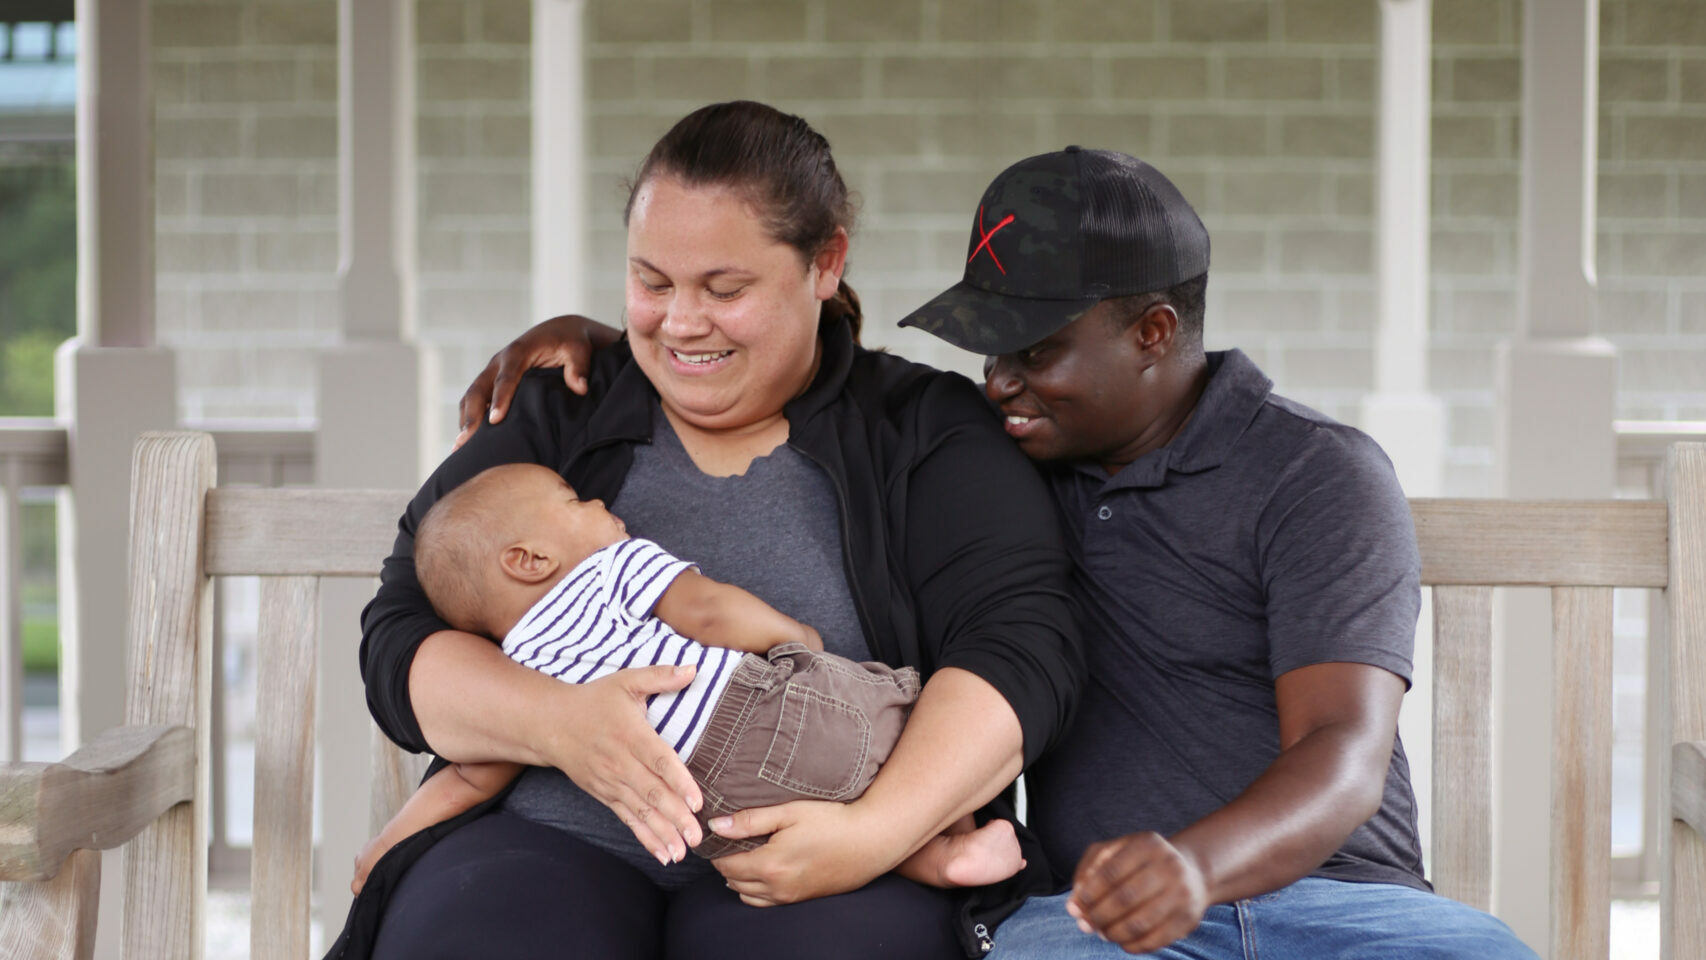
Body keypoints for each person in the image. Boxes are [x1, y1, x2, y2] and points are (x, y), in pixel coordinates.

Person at [460, 146, 1540, 959]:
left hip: (1342, 909)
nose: (998, 383)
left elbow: (1342, 753)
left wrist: (1192, 867)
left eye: (1033, 352)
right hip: (1092, 927)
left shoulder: (1310, 471)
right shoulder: (1005, 470)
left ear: (1154, 332)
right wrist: (620, 347)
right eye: (986, 351)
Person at [338, 100, 1080, 960]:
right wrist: (560, 726)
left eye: (724, 290)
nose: (681, 323)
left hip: (827, 852)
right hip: (543, 840)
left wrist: (875, 835)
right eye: (652, 283)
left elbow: (1021, 648)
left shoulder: (924, 431)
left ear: (825, 262)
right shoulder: (562, 409)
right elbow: (401, 632)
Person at [350, 461, 1024, 897]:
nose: (597, 503)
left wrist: (386, 845)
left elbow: (470, 776)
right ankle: (948, 845)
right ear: (530, 559)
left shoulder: (515, 665)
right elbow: (705, 610)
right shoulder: (612, 567)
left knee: (804, 831)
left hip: (705, 814)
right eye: (574, 498)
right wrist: (792, 637)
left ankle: (936, 861)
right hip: (771, 716)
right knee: (909, 721)